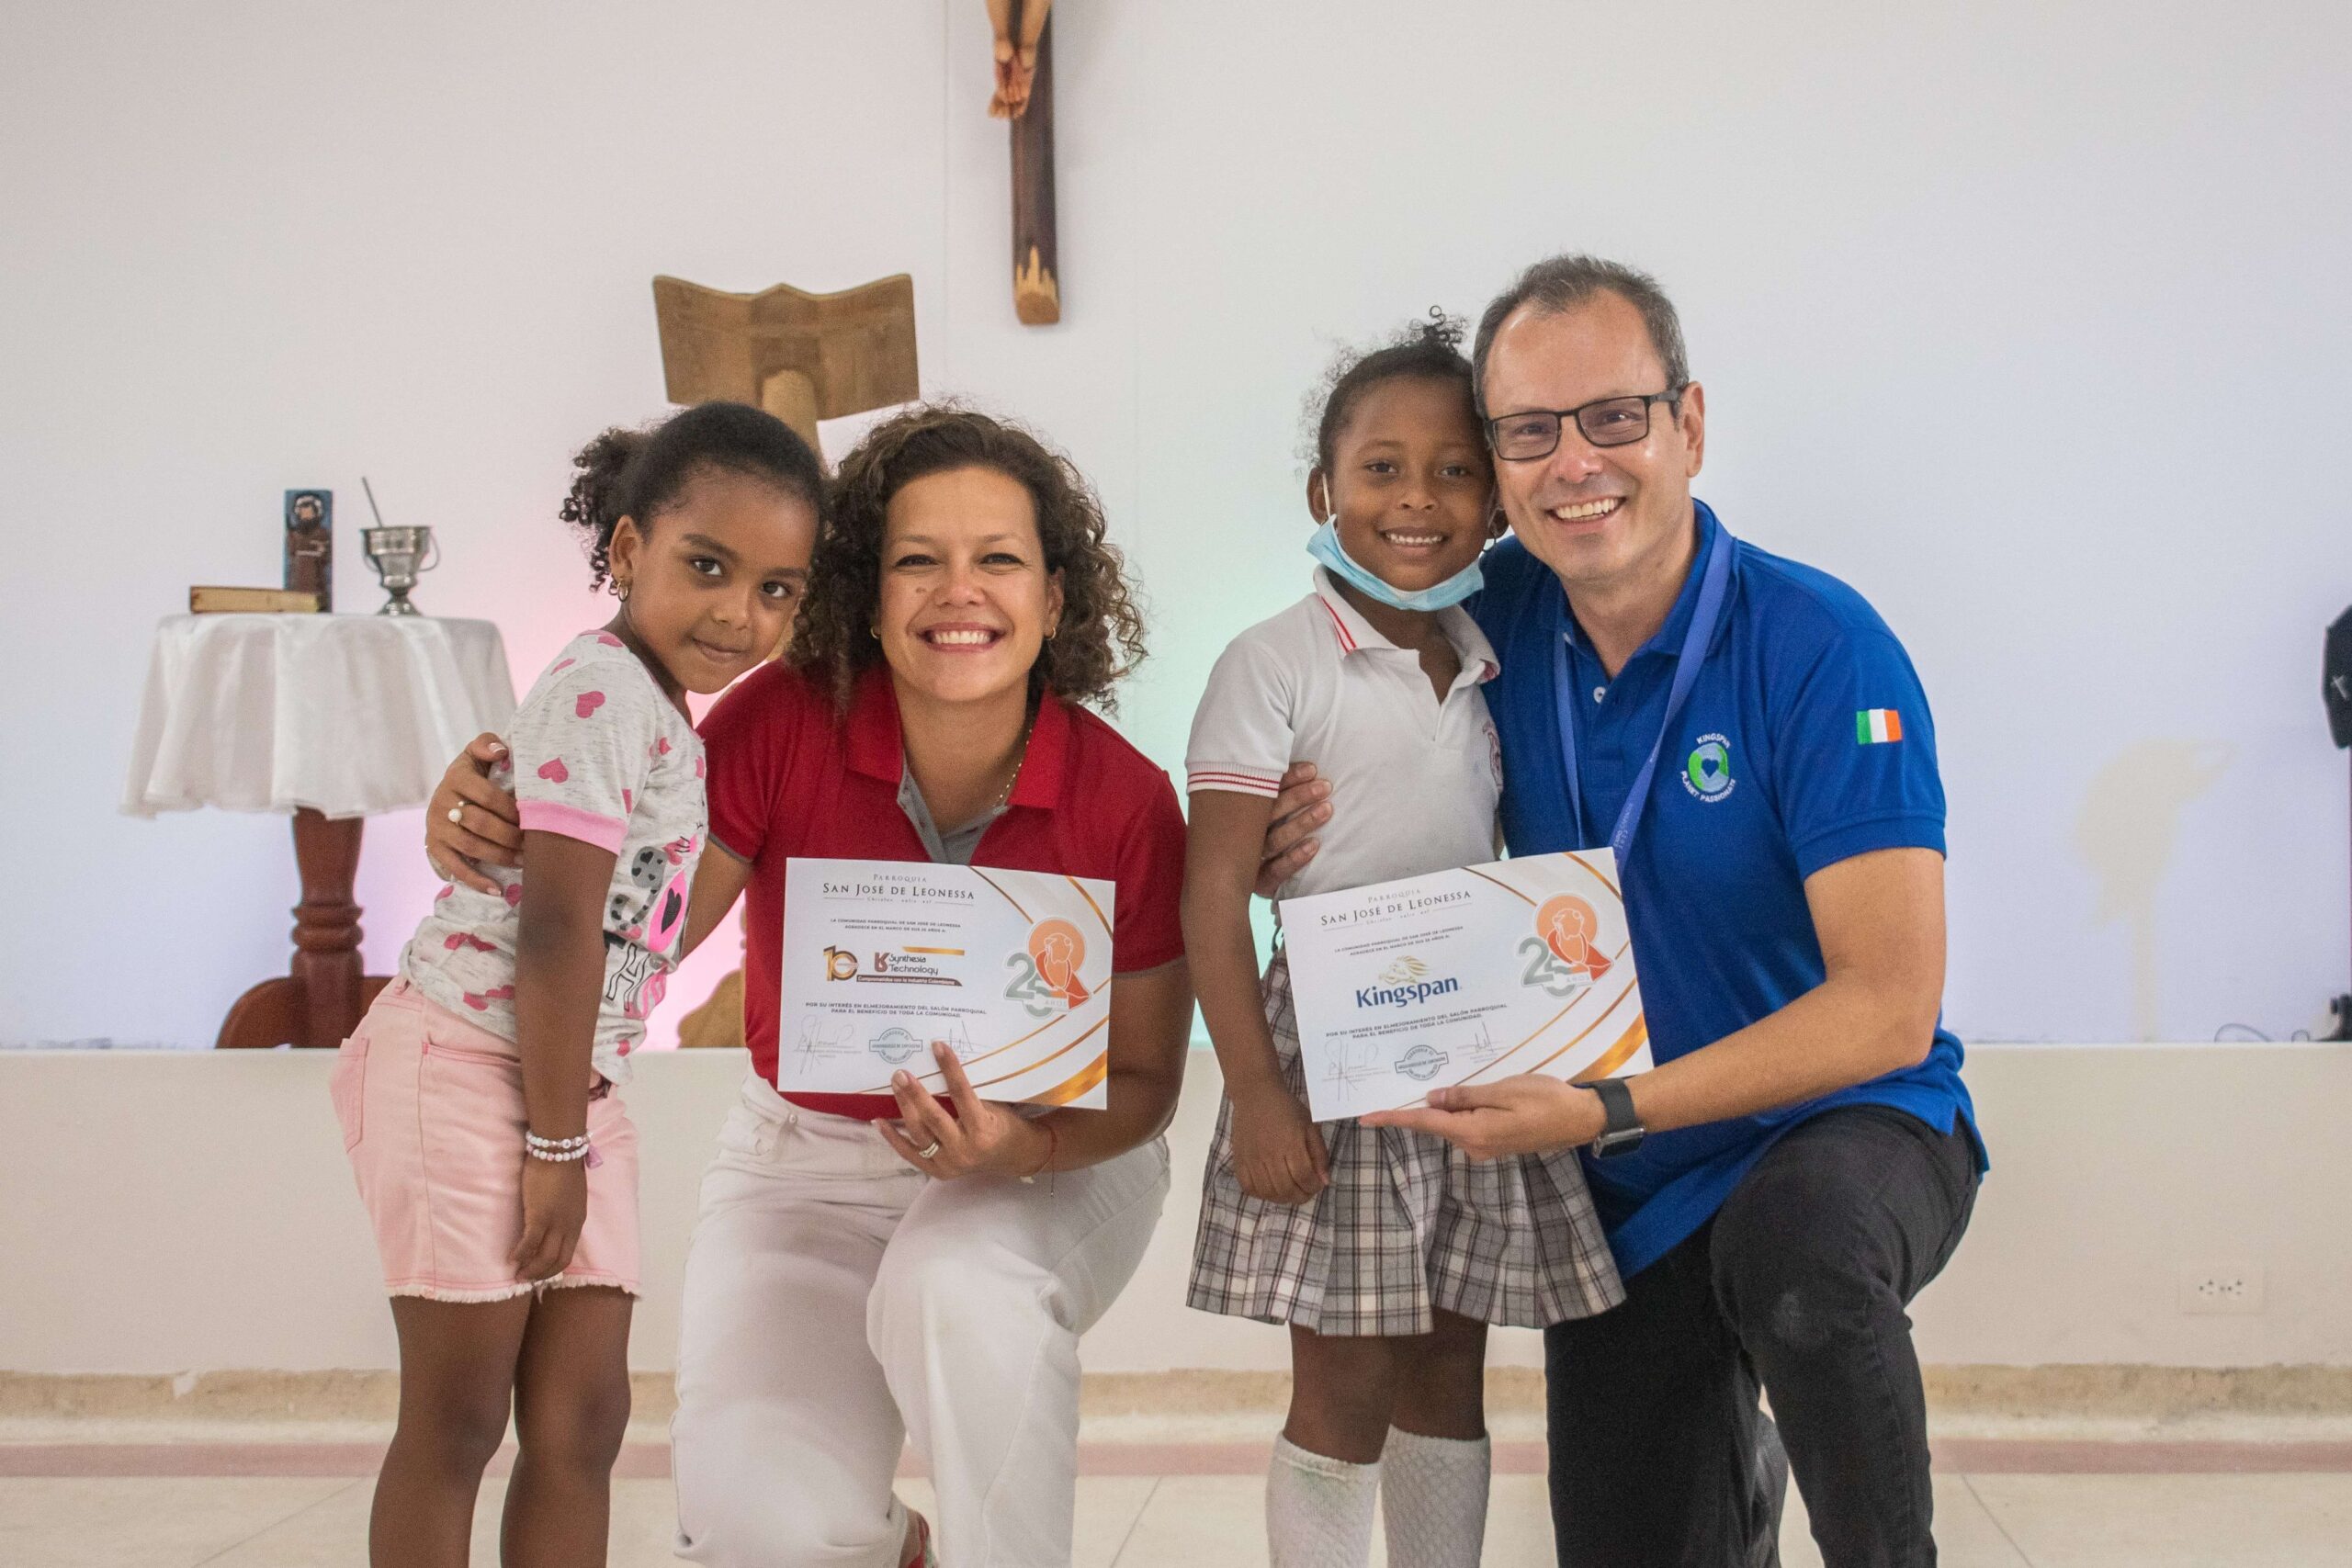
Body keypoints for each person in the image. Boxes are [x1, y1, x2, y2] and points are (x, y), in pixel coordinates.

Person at [1263, 256, 1986, 1567]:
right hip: (1637, 1177)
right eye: (1529, 431)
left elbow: (1889, 1006)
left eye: (1614, 416)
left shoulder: (1825, 646)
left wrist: (1605, 1106)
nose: (1574, 461)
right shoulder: (1481, 626)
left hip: (1840, 1121)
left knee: (1803, 1263)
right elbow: (1345, 757)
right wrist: (1277, 833)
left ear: (1689, 424)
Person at [424, 405, 1193, 1568]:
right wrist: (506, 825)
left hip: (1046, 1164)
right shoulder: (778, 726)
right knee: (758, 1531)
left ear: (1056, 594)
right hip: (809, 1163)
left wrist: (1013, 1153)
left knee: (958, 1284)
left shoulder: (1126, 799)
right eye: (915, 561)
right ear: (865, 591)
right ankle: (890, 1545)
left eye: (998, 560)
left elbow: (1141, 1086)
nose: (957, 592)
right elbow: (641, 928)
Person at [333, 400, 825, 1567]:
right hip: (469, 1060)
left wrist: (571, 1125)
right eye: (709, 566)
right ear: (625, 550)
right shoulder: (601, 694)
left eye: (776, 589)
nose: (737, 612)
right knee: (458, 1418)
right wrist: (555, 1150)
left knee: (584, 1420)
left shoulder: (660, 716)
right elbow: (555, 935)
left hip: (569, 1081)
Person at [1182, 317, 1622, 1568]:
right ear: (1324, 491)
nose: (1416, 498)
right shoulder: (1271, 665)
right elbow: (1210, 897)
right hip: (1327, 1056)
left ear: (1493, 502)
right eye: (1381, 467)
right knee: (1343, 1383)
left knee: (1448, 1363)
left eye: (1452, 469)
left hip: (1471, 1048)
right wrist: (1261, 1095)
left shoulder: (1490, 661)